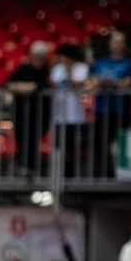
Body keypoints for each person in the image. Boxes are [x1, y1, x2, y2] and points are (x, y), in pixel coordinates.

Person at [89, 31, 131, 178]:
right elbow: (93, 81)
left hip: (121, 110)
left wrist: (110, 83)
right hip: (102, 110)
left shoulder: (128, 63)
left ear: (124, 45)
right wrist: (109, 83)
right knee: (101, 144)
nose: (117, 45)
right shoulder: (100, 63)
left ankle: (123, 175)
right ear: (110, 44)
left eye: (120, 42)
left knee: (121, 145)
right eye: (115, 42)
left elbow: (127, 82)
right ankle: (103, 175)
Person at [5, 41, 52, 176]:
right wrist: (26, 87)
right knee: (21, 139)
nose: (38, 58)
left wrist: (25, 87)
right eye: (36, 55)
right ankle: (22, 166)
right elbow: (9, 84)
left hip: (41, 113)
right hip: (21, 112)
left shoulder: (47, 70)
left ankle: (32, 168)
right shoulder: (23, 68)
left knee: (33, 139)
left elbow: (40, 87)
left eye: (41, 55)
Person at [51, 43, 90, 178]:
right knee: (59, 147)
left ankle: (72, 176)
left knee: (72, 148)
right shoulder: (57, 69)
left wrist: (68, 72)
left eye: (64, 56)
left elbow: (78, 84)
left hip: (76, 115)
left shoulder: (82, 68)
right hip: (59, 115)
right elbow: (53, 83)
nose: (62, 59)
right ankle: (58, 175)